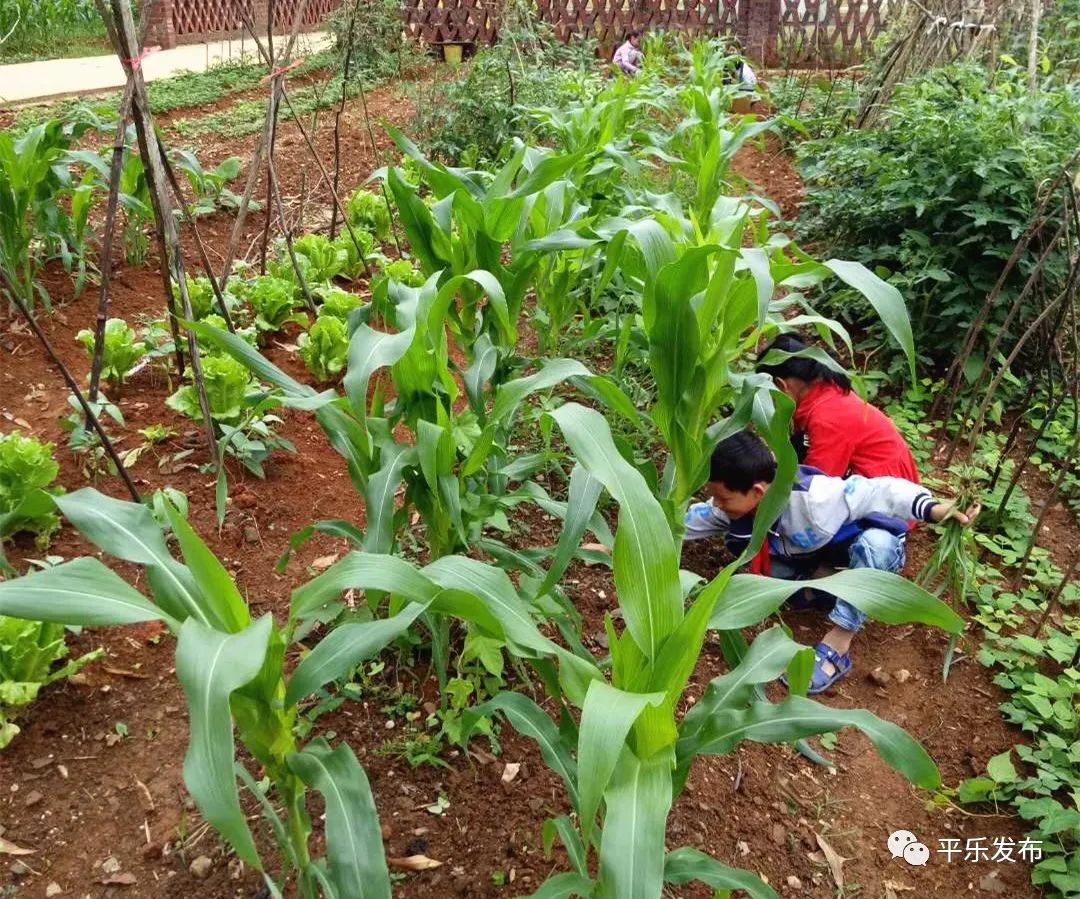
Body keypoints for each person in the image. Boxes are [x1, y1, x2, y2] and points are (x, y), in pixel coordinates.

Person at [684, 430, 978, 694]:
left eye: (722, 498)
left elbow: (881, 491)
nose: (717, 505)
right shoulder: (731, 505)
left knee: (877, 546)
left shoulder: (816, 499)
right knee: (755, 565)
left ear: (758, 491)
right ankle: (825, 589)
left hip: (862, 551)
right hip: (813, 557)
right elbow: (685, 524)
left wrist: (934, 509)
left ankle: (838, 642)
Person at [757, 333, 920, 483]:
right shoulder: (825, 390)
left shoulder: (828, 417)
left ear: (781, 385)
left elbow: (817, 486)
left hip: (885, 493)